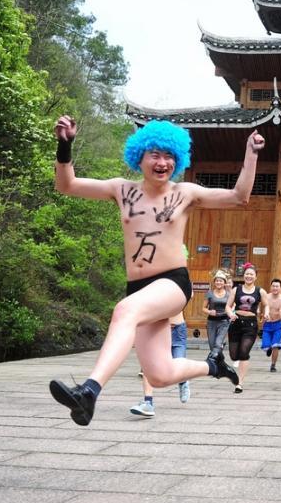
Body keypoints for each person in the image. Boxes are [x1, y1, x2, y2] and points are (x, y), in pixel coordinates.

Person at [49, 116, 264, 426]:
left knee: (124, 311)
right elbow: (66, 185)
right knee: (160, 374)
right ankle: (215, 366)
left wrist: (251, 155)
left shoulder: (185, 193)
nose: (162, 162)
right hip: (139, 288)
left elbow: (238, 197)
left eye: (169, 156)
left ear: (177, 160)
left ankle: (89, 392)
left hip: (172, 282)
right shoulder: (121, 189)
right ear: (140, 157)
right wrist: (64, 144)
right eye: (155, 154)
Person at [130, 312, 191, 417]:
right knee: (148, 366)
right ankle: (148, 402)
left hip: (177, 329)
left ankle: (183, 382)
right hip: (155, 328)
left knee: (178, 362)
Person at [226, 263, 266, 393]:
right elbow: (228, 306)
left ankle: (240, 383)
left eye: (251, 274)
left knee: (244, 352)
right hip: (236, 322)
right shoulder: (236, 289)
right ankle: (235, 364)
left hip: (251, 325)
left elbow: (266, 305)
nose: (249, 276)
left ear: (255, 277)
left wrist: (265, 313)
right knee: (233, 355)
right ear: (244, 276)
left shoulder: (260, 291)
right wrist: (231, 314)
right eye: (247, 274)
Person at [261, 278, 281, 371]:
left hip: (278, 325)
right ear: (270, 287)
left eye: (277, 286)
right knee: (266, 345)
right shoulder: (266, 297)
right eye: (273, 286)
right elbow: (260, 306)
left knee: (275, 345)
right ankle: (268, 348)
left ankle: (273, 365)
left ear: (280, 288)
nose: (275, 288)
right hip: (267, 324)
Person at [204, 270, 232, 358]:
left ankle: (214, 361)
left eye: (221, 281)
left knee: (217, 343)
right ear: (214, 282)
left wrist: (230, 312)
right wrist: (209, 312)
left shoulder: (229, 294)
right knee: (212, 345)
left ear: (224, 283)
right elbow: (203, 308)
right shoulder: (209, 293)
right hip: (211, 322)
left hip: (224, 321)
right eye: (217, 281)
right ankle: (219, 360)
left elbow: (233, 306)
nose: (218, 282)